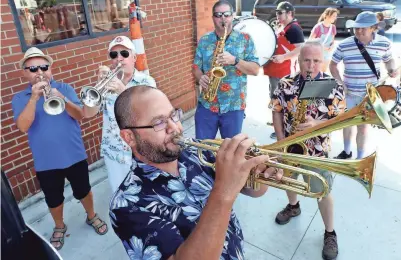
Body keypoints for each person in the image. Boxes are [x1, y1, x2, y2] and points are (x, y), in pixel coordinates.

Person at [110, 85, 282, 259]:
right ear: (129, 137)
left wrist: (258, 173)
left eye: (173, 115)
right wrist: (224, 192)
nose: (174, 128)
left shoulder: (196, 151)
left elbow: (253, 191)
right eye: (159, 122)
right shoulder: (127, 205)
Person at [11, 47, 108, 250]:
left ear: (50, 69)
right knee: (53, 198)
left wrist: (61, 98)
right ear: (25, 73)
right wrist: (34, 98)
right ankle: (59, 225)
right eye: (33, 68)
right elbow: (23, 127)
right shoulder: (21, 98)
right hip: (46, 161)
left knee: (84, 190)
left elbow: (80, 115)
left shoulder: (64, 87)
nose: (39, 72)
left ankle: (91, 216)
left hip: (74, 154)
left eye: (44, 67)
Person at [269, 40, 346, 260]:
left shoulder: (333, 85)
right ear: (299, 60)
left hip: (317, 151)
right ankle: (294, 207)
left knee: (323, 192)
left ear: (322, 61)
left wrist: (317, 125)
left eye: (315, 60)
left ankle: (330, 232)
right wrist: (281, 141)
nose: (310, 65)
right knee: (287, 181)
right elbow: (276, 111)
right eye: (306, 60)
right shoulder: (286, 83)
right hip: (289, 148)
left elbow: (341, 120)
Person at [83, 36, 157, 192]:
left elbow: (149, 114)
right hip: (115, 151)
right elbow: (89, 114)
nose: (119, 59)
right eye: (113, 55)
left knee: (146, 193)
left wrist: (122, 91)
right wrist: (97, 86)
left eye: (124, 53)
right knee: (121, 194)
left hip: (142, 148)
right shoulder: (106, 84)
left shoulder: (147, 81)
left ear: (134, 57)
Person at [330, 11, 398, 160]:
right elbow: (333, 65)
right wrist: (340, 83)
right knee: (347, 124)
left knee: (363, 128)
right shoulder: (344, 44)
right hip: (348, 93)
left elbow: (389, 60)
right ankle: (347, 152)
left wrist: (392, 70)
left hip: (370, 95)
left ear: (373, 28)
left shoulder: (384, 43)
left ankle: (360, 160)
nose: (359, 31)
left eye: (363, 28)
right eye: (356, 28)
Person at [192, 0, 260, 140]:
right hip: (207, 104)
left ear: (232, 16)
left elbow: (255, 70)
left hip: (233, 106)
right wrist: (200, 77)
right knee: (203, 148)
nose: (223, 18)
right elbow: (196, 67)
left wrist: (235, 61)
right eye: (218, 15)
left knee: (231, 150)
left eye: (226, 14)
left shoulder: (245, 39)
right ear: (213, 18)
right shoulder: (205, 40)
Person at [263, 1, 305, 139]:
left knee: (281, 101)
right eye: (277, 12)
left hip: (284, 72)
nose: (277, 15)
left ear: (290, 14)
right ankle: (278, 124)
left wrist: (283, 57)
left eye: (280, 13)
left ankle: (282, 128)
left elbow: (301, 49)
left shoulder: (294, 29)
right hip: (275, 71)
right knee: (276, 100)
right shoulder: (284, 27)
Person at [309, 8, 339, 72]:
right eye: (333, 16)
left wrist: (332, 46)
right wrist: (322, 47)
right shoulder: (318, 27)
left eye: (336, 16)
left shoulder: (333, 27)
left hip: (327, 53)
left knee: (323, 72)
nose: (335, 18)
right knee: (316, 72)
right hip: (317, 53)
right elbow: (310, 41)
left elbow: (333, 40)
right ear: (327, 15)